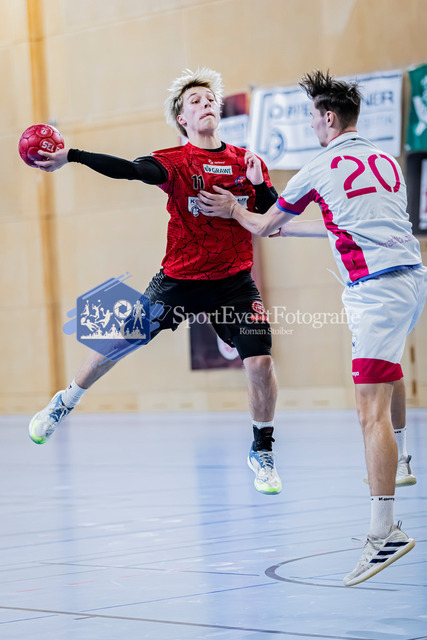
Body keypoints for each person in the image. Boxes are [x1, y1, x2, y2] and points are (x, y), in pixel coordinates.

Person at [197, 70, 427, 585]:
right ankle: (401, 458)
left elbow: (260, 224)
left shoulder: (319, 167)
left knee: (367, 412)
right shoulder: (385, 159)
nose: (310, 126)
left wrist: (234, 208)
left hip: (376, 291)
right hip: (413, 280)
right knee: (389, 370)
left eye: (312, 118)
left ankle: (384, 533)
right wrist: (291, 229)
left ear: (328, 118)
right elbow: (345, 222)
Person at [28, 67, 282, 496]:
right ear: (182, 118)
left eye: (210, 99)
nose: (205, 104)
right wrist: (73, 155)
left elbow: (272, 220)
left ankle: (262, 449)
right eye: (195, 101)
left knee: (260, 363)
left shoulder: (246, 162)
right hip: (180, 280)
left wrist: (260, 187)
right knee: (118, 343)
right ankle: (64, 400)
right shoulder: (176, 162)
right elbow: (129, 170)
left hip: (234, 282)